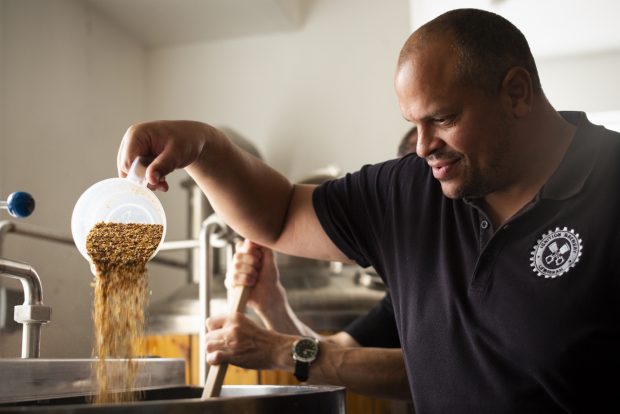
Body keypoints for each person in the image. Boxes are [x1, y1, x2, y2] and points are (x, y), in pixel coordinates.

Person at [117, 8, 620, 413]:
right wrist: (205, 147)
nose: (423, 147)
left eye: (443, 119)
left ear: (516, 93)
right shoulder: (412, 189)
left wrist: (278, 349)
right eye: (412, 123)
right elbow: (280, 213)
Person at [206, 127, 417, 400]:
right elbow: (336, 351)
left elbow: (431, 374)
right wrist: (272, 303)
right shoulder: (414, 285)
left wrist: (278, 351)